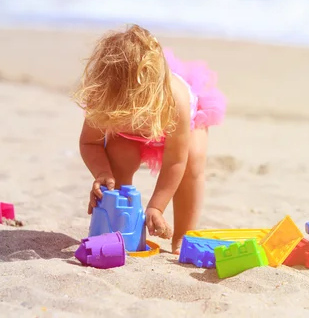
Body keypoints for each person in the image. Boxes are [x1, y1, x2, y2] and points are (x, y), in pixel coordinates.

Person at [73, 24, 226, 253]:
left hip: (178, 128)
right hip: (128, 137)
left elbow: (175, 160)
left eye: (137, 106)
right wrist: (102, 173)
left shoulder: (175, 99)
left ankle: (183, 237)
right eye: (123, 107)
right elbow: (89, 143)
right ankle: (121, 224)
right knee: (119, 156)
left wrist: (157, 206)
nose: (133, 113)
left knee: (193, 160)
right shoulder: (103, 97)